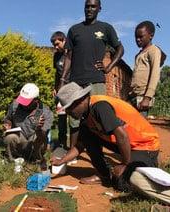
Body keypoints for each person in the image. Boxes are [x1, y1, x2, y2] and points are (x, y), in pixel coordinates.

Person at [52, 82, 159, 190]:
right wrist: (62, 160)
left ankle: (148, 164)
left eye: (69, 108)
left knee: (122, 183)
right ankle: (104, 175)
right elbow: (80, 146)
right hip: (128, 144)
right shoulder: (85, 117)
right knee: (87, 137)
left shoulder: (100, 107)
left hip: (145, 145)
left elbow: (122, 135)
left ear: (80, 101)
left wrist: (124, 164)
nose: (68, 112)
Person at [58, 0, 124, 149]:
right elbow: (68, 57)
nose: (89, 9)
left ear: (99, 8)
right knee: (74, 119)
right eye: (87, 6)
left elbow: (120, 49)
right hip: (76, 81)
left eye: (93, 6)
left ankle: (98, 152)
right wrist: (63, 79)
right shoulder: (74, 30)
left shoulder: (106, 28)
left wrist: (108, 67)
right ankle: (73, 153)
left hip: (96, 80)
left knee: (97, 117)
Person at [3, 83, 53, 164]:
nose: (22, 103)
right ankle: (12, 159)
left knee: (38, 141)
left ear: (35, 100)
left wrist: (39, 128)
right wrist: (7, 124)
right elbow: (8, 119)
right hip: (20, 137)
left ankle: (36, 159)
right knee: (10, 137)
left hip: (35, 140)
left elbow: (43, 138)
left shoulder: (46, 112)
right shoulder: (15, 105)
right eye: (22, 99)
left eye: (26, 101)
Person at [129, 21, 165, 117]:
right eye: (136, 37)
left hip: (143, 97)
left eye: (141, 37)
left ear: (151, 36)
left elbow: (155, 74)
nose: (138, 39)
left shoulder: (154, 51)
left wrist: (147, 97)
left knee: (139, 127)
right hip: (134, 96)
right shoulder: (139, 54)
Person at [51, 31, 68, 149]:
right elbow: (57, 73)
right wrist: (55, 87)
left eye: (57, 44)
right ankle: (62, 144)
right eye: (54, 45)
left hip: (73, 89)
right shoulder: (56, 56)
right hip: (60, 90)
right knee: (61, 117)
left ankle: (76, 146)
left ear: (64, 40)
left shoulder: (73, 53)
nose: (56, 47)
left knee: (75, 120)